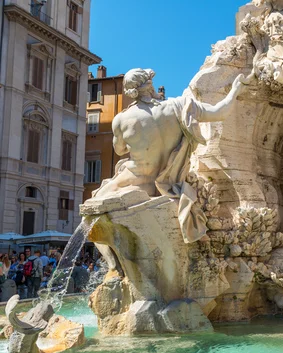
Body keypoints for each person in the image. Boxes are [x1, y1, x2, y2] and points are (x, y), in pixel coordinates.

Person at [92, 68, 246, 243]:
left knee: (94, 207)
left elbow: (120, 151)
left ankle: (114, 267)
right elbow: (220, 112)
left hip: (135, 179)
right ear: (150, 85)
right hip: (167, 183)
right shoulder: (180, 106)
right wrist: (235, 89)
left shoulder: (121, 120)